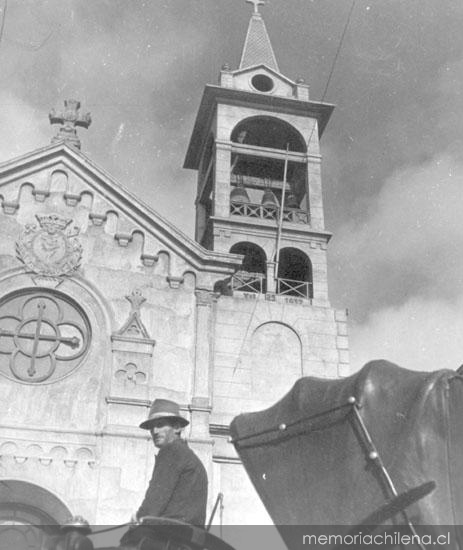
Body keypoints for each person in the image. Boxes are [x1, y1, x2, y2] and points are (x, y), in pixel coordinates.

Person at [120, 399, 208, 549]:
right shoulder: (188, 456)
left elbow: (154, 502)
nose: (155, 431)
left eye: (160, 425)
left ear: (177, 427)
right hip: (188, 540)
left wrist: (137, 522)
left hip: (168, 538)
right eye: (152, 427)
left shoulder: (172, 451)